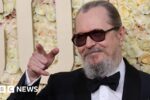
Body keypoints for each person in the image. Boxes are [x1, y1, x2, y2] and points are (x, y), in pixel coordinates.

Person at [8, 1, 150, 100]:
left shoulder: (147, 86)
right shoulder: (60, 86)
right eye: (81, 38)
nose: (88, 44)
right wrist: (31, 77)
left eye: (97, 34)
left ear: (120, 34)